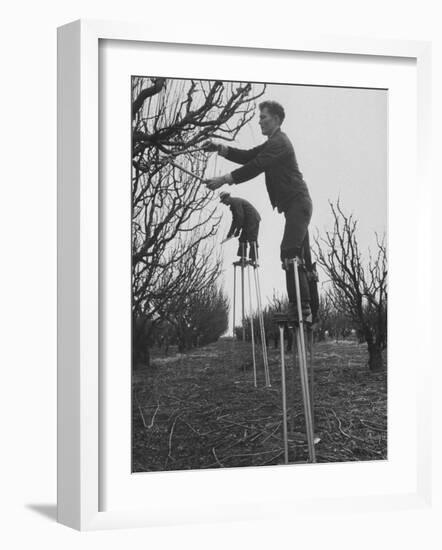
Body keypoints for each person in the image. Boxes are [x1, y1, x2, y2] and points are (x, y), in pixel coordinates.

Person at [204, 100, 313, 322]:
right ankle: (303, 307)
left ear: (276, 119)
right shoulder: (272, 142)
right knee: (294, 255)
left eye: (263, 117)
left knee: (289, 252)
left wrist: (224, 180)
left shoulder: (280, 143)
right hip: (295, 206)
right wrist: (220, 149)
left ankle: (302, 308)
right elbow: (247, 156)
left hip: (298, 204)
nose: (259, 121)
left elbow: (255, 166)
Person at [219, 191, 261, 262]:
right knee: (242, 239)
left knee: (252, 239)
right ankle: (243, 258)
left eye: (223, 201)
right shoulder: (233, 205)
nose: (223, 203)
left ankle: (253, 259)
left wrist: (237, 230)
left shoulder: (236, 203)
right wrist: (230, 233)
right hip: (246, 221)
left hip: (253, 220)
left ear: (227, 198)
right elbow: (235, 220)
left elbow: (240, 217)